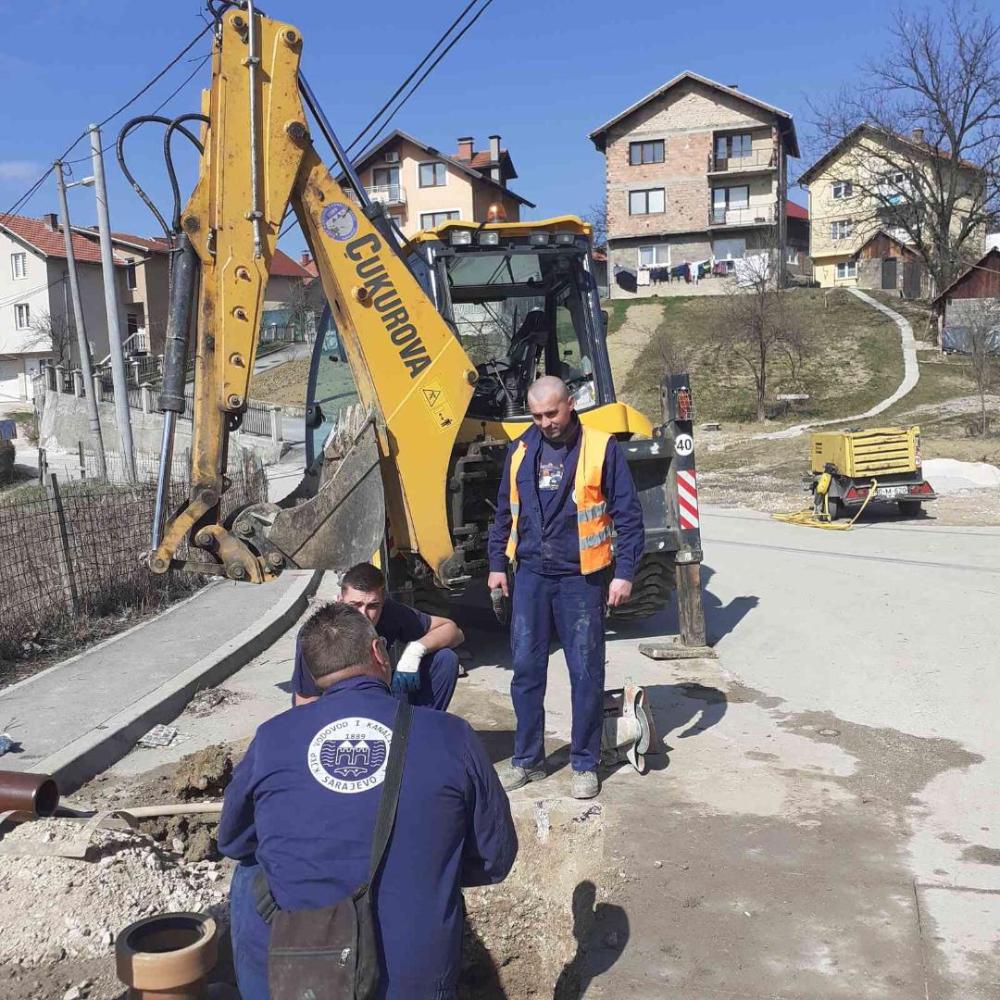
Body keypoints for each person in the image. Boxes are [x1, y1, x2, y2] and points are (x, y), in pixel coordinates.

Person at [219, 602, 518, 1000]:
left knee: (248, 872)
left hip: (303, 973)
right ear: (379, 652)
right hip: (414, 978)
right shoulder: (450, 735)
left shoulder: (272, 737)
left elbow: (234, 842)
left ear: (311, 671)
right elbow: (495, 859)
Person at [487, 375, 644, 800]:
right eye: (537, 415)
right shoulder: (521, 450)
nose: (545, 422)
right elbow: (504, 512)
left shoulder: (601, 447)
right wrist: (496, 564)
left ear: (570, 404)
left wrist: (625, 572)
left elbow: (628, 516)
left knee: (586, 672)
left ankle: (584, 763)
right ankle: (528, 760)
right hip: (532, 577)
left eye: (552, 413)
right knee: (526, 670)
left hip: (582, 577)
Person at [291, 562, 463, 712]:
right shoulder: (320, 631)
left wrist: (415, 651)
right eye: (355, 604)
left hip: (380, 692)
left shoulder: (390, 612)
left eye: (372, 606)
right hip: (338, 705)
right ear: (341, 600)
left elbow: (453, 631)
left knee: (445, 659)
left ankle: (418, 732)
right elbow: (305, 699)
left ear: (383, 602)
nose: (363, 614)